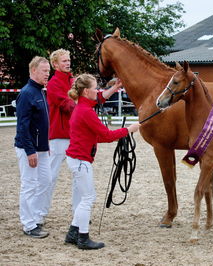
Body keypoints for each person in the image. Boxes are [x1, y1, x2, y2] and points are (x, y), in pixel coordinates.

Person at [64, 74, 140, 250]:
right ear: (85, 91)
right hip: (81, 160)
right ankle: (83, 237)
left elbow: (99, 136)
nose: (97, 91)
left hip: (78, 159)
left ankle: (73, 233)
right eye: (95, 88)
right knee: (88, 198)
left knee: (86, 197)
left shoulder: (83, 108)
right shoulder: (85, 111)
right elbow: (106, 135)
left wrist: (122, 133)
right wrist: (128, 130)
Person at [14, 56, 52, 238]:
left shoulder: (40, 92)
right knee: (29, 185)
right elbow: (22, 126)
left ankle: (36, 216)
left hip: (43, 148)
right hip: (29, 148)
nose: (48, 74)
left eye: (49, 71)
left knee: (45, 180)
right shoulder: (27, 93)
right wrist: (30, 151)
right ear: (34, 71)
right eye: (45, 71)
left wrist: (45, 144)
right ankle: (28, 224)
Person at [46, 49, 75, 216]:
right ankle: (38, 215)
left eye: (68, 60)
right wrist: (83, 106)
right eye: (64, 61)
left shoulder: (73, 81)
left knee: (79, 176)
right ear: (55, 64)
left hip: (74, 135)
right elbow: (66, 104)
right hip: (58, 136)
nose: (68, 63)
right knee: (50, 177)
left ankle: (78, 213)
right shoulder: (53, 83)